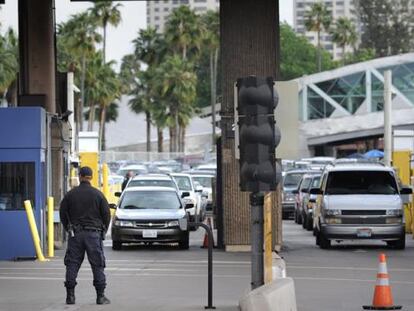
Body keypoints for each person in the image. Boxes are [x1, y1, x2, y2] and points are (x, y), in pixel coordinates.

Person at [60, 166, 111, 305]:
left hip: (75, 234)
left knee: (72, 263)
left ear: (80, 176)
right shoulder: (98, 194)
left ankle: (70, 296)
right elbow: (106, 214)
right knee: (97, 265)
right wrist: (103, 231)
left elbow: (63, 213)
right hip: (94, 234)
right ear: (91, 177)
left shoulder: (70, 195)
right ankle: (100, 297)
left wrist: (68, 229)